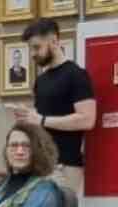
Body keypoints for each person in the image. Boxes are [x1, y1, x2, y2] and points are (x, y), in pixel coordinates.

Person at [12, 18, 96, 194]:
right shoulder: (41, 80)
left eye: (37, 47)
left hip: (65, 167)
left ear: (54, 41)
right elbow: (44, 120)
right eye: (31, 49)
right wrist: (28, 116)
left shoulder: (76, 75)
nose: (33, 54)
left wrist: (41, 119)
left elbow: (87, 119)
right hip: (40, 165)